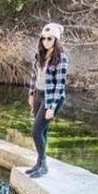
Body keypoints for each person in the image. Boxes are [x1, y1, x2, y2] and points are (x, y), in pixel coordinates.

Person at [26, 22, 68, 178]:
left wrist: (51, 107)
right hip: (38, 95)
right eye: (43, 38)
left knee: (36, 132)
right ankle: (38, 163)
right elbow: (33, 76)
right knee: (43, 130)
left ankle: (43, 164)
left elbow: (60, 85)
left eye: (49, 39)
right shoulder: (39, 55)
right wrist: (31, 94)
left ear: (56, 40)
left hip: (51, 98)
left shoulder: (61, 58)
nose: (45, 42)